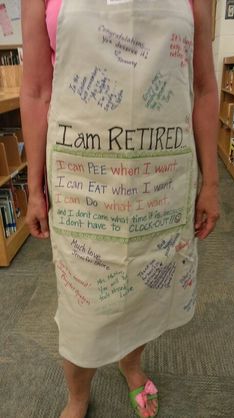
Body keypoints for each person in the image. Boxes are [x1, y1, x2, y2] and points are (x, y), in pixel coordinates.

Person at [20, 0, 220, 417]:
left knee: (146, 290)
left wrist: (211, 183)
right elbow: (37, 90)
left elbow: (202, 87)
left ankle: (132, 364)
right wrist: (35, 188)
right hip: (84, 187)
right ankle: (77, 395)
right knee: (82, 309)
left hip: (159, 186)